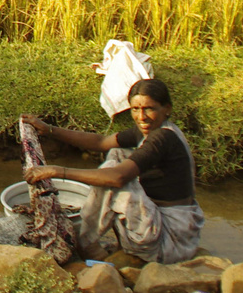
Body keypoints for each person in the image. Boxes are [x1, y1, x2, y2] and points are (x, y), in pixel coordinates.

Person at [21, 77, 205, 264]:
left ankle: (87, 243)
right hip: (166, 225)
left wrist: (57, 171)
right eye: (136, 109)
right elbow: (102, 142)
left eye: (149, 108)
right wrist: (50, 130)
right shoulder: (150, 130)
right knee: (117, 153)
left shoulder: (163, 138)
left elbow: (117, 178)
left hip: (172, 240)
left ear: (167, 109)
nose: (141, 117)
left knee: (113, 175)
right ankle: (99, 241)